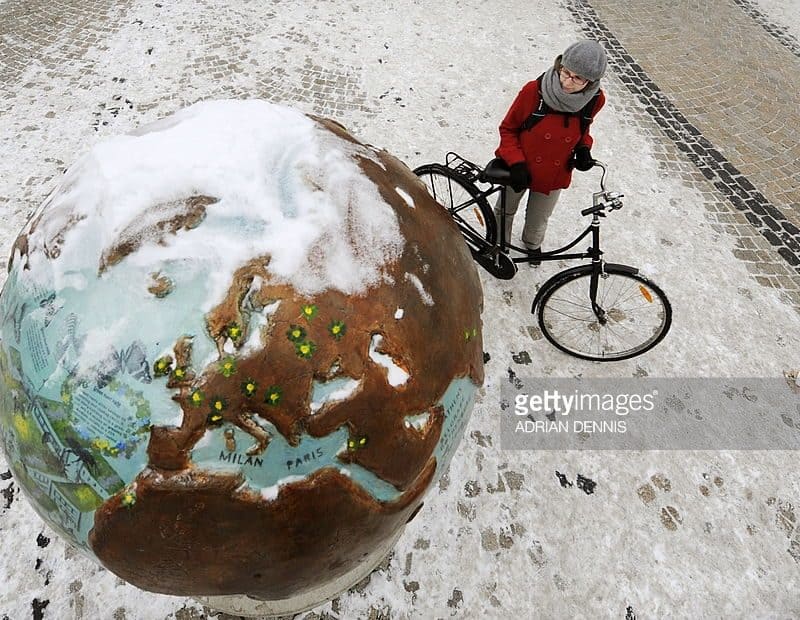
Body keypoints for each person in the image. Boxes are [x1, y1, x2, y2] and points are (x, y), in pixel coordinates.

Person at [494, 40, 607, 263]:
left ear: (591, 82)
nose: (567, 81)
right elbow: (508, 128)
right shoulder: (533, 91)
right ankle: (498, 243)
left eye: (577, 78)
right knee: (505, 210)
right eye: (565, 72)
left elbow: (584, 128)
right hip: (519, 165)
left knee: (539, 216)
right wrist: (516, 162)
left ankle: (532, 244)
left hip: (554, 171)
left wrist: (584, 147)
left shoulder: (595, 100)